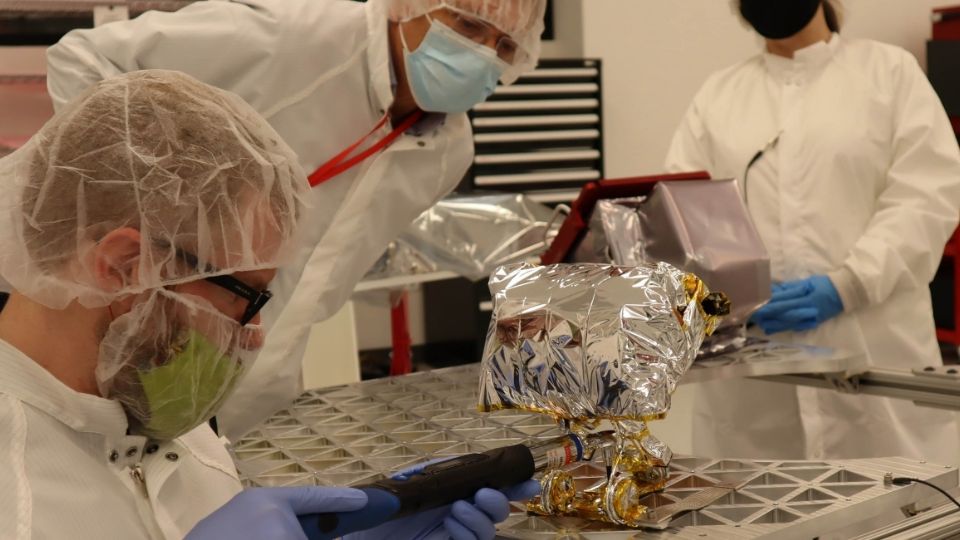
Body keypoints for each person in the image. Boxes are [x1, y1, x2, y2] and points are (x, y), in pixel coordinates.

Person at [0, 70, 536, 540]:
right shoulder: (18, 496)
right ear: (123, 265)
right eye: (244, 297)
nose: (254, 333)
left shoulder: (148, 406)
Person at [45, 0, 548, 439]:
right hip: (122, 320)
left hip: (258, 373)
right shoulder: (296, 36)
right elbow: (84, 58)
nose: (482, 52)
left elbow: (333, 254)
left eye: (504, 45)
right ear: (409, 5)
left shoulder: (449, 151)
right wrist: (150, 200)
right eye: (466, 25)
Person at [665, 0, 960, 463]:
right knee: (758, 513)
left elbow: (927, 197)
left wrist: (848, 284)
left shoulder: (889, 74)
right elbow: (683, 214)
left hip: (873, 353)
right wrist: (733, 296)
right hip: (755, 376)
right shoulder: (719, 96)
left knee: (896, 511)